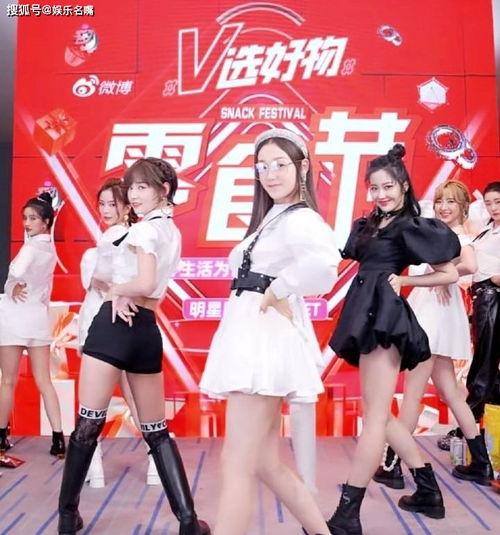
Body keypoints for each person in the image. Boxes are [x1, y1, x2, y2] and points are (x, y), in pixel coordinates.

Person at [57, 158, 210, 535]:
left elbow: (142, 282)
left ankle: (67, 516)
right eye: (132, 188)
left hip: (114, 325)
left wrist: (116, 291)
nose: (134, 195)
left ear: (164, 189)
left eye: (142, 187)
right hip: (146, 329)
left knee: (88, 424)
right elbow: (151, 285)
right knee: (156, 430)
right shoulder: (171, 231)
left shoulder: (142, 230)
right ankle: (188, 521)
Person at [200, 128, 340, 535]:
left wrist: (278, 289)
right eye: (263, 166)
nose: (271, 173)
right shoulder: (274, 217)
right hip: (250, 336)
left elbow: (324, 267)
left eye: (280, 164)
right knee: (262, 462)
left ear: (302, 167)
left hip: (263, 342)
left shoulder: (302, 219)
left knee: (236, 462)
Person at [327, 145, 461, 535]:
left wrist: (405, 279)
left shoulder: (410, 226)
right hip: (365, 315)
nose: (381, 194)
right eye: (375, 188)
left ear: (403, 185)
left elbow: (450, 273)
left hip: (385, 320)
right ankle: (428, 491)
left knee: (375, 417)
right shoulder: (372, 223)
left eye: (388, 186)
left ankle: (347, 514)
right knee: (380, 415)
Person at [373, 180, 493, 489]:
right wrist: (440, 273)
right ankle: (481, 462)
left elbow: (470, 264)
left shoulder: (459, 237)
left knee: (413, 393)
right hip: (433, 315)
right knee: (450, 392)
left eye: (451, 201)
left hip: (432, 319)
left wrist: (441, 273)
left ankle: (392, 465)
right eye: (440, 201)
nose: (444, 207)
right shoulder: (433, 233)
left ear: (463, 207)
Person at [78, 178, 159, 488]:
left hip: (104, 324)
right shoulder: (138, 239)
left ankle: (93, 467)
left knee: (92, 405)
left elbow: (104, 279)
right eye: (102, 204)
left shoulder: (116, 238)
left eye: (113, 204)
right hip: (119, 320)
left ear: (127, 207)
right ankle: (155, 463)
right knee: (135, 400)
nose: (106, 210)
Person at [0, 192, 65, 458]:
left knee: (7, 381)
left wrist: (12, 284)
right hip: (37, 318)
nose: (27, 223)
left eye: (33, 218)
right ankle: (59, 438)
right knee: (44, 381)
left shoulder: (31, 248)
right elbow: (45, 290)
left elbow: (16, 272)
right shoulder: (50, 250)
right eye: (25, 218)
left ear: (46, 221)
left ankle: (0, 437)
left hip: (14, 318)